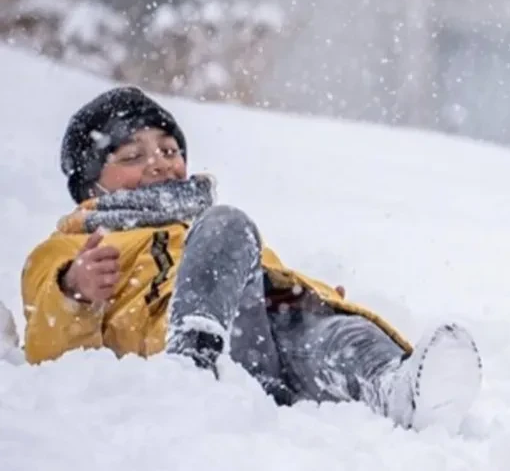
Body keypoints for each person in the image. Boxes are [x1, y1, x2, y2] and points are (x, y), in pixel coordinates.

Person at [20, 86, 482, 433]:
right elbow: (46, 352)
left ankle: (396, 388)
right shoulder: (69, 246)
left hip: (262, 340)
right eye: (133, 155)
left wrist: (311, 296)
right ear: (89, 184)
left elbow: (262, 273)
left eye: (169, 150)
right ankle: (193, 364)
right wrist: (74, 292)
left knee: (337, 333)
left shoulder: (201, 224)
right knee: (228, 225)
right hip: (185, 350)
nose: (160, 163)